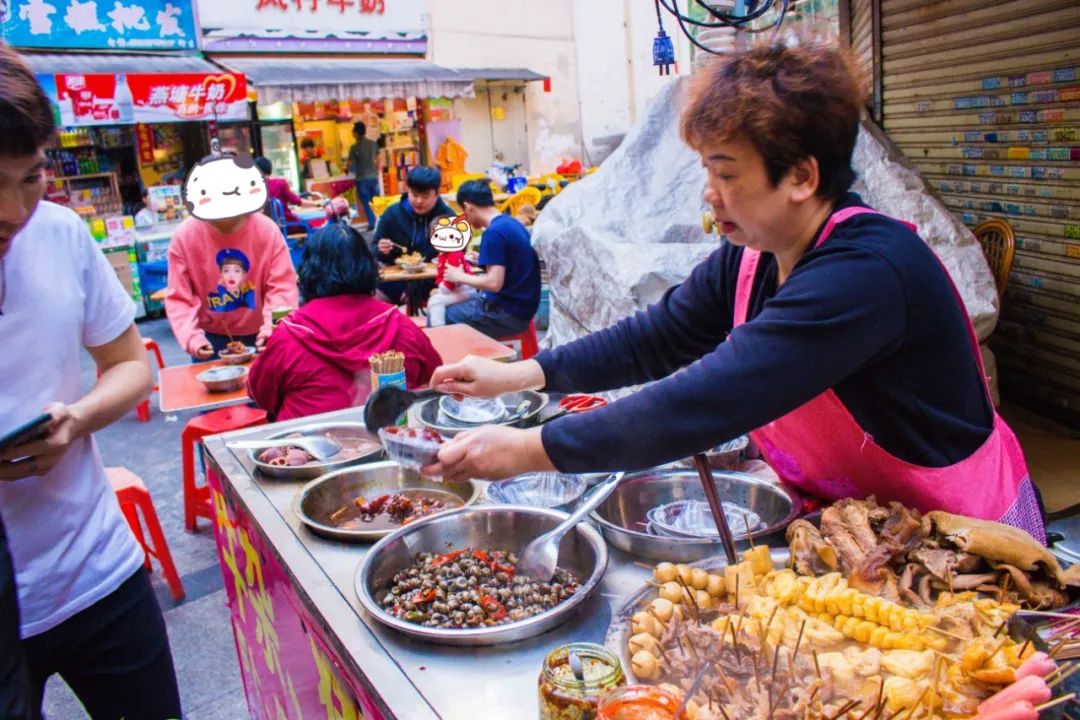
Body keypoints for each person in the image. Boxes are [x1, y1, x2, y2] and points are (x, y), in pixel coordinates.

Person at [424, 42, 1044, 542]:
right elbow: (658, 337)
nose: (709, 193)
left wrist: (529, 450)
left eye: (726, 173)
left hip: (962, 540)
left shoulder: (868, 274)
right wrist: (519, 374)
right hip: (867, 528)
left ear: (801, 175)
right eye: (706, 172)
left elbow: (707, 399)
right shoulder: (753, 257)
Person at [0, 44, 180, 718]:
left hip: (96, 571)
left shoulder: (61, 235)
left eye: (30, 177)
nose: (15, 211)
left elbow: (132, 365)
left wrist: (74, 420)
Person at [248, 221, 441, 421]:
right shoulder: (401, 325)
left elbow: (261, 397)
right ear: (368, 266)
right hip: (389, 443)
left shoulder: (288, 335)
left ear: (308, 271)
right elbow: (434, 379)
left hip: (306, 447)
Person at [165, 161, 299, 361]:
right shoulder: (184, 236)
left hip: (264, 337)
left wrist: (273, 329)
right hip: (210, 340)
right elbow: (179, 298)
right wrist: (192, 339)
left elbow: (282, 289)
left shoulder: (267, 231)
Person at [441, 179, 541, 339]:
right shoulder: (511, 223)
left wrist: (458, 276)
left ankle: (452, 361)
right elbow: (513, 263)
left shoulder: (493, 232)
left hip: (507, 315)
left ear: (468, 207)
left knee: (443, 313)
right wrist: (482, 260)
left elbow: (494, 284)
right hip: (523, 308)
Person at [372, 165, 454, 306]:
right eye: (414, 195)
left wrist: (417, 289)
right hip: (398, 280)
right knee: (372, 300)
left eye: (425, 196)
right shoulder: (392, 215)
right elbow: (374, 250)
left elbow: (455, 258)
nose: (419, 201)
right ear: (406, 190)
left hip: (435, 280)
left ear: (437, 193)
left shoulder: (447, 217)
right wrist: (381, 249)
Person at [254, 155, 323, 232]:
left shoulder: (252, 190)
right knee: (313, 229)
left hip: (266, 229)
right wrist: (318, 204)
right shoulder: (280, 183)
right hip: (287, 225)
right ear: (269, 169)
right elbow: (298, 202)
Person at [347, 121, 381, 228]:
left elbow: (349, 164)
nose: (352, 134)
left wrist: (346, 170)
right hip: (374, 177)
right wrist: (377, 171)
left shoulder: (354, 147)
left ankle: (372, 223)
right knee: (376, 202)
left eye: (353, 132)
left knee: (366, 203)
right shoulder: (373, 144)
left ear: (356, 133)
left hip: (362, 179)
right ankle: (379, 223)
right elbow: (378, 159)